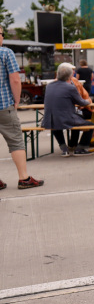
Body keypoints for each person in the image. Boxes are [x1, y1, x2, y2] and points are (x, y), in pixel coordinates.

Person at [0, 25, 44, 190]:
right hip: (3, 105)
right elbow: (15, 80)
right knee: (16, 141)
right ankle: (24, 178)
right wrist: (17, 101)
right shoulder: (5, 53)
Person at [42, 64, 94, 157]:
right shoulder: (70, 87)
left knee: (56, 123)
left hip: (48, 119)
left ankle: (64, 148)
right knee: (90, 125)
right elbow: (81, 102)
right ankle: (80, 148)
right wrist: (87, 101)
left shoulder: (49, 86)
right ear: (70, 76)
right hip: (66, 118)